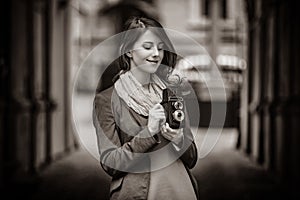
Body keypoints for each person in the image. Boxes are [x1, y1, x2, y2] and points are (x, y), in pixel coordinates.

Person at [93, 16, 199, 200]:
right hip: (137, 194)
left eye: (160, 47)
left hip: (180, 190)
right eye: (148, 47)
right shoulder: (106, 100)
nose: (157, 54)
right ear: (128, 51)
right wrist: (149, 132)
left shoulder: (172, 93)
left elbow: (192, 158)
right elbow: (110, 164)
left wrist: (180, 140)